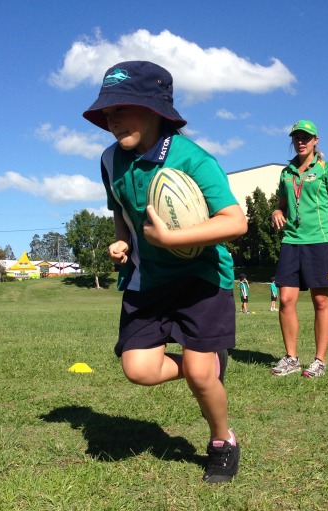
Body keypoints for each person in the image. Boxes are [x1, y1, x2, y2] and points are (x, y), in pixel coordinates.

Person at [82, 61, 247, 483]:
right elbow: (121, 210)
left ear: (155, 110)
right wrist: (121, 241)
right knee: (139, 370)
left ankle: (222, 441)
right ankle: (206, 365)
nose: (111, 119)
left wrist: (173, 238)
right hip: (147, 281)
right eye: (107, 112)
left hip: (201, 280)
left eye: (121, 108)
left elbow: (235, 222)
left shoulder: (193, 158)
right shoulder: (109, 160)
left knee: (200, 376)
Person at [270, 120, 328, 378]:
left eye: (306, 137)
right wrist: (276, 211)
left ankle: (319, 361)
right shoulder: (286, 172)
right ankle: (291, 358)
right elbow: (282, 205)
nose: (301, 141)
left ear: (316, 140)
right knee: (285, 300)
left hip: (320, 241)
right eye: (297, 137)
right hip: (291, 241)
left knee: (321, 301)